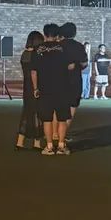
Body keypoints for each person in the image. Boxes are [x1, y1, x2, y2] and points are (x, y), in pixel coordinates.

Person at [32, 24, 72, 155]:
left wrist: (35, 88)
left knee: (47, 119)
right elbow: (71, 66)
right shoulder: (63, 48)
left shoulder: (38, 50)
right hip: (62, 88)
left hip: (44, 88)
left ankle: (49, 146)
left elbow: (34, 71)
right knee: (62, 118)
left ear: (44, 34)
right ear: (57, 35)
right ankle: (61, 145)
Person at [16, 30, 44, 149]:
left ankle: (20, 142)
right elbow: (35, 72)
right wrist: (37, 88)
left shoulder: (24, 54)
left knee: (27, 112)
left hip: (26, 86)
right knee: (37, 113)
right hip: (35, 86)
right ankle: (37, 142)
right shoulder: (36, 55)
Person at [60, 22, 89, 140]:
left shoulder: (58, 46)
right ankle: (63, 134)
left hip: (59, 81)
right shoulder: (79, 46)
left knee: (58, 107)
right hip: (75, 81)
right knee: (72, 107)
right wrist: (77, 65)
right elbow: (84, 63)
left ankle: (55, 134)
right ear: (74, 33)